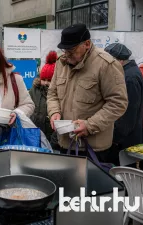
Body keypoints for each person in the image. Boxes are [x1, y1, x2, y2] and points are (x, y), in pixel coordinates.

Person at [47, 24, 128, 164]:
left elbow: (118, 103)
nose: (67, 54)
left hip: (93, 148)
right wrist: (54, 111)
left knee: (89, 186)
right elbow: (52, 93)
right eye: (64, 50)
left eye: (71, 50)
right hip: (65, 143)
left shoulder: (106, 65)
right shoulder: (62, 62)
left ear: (87, 44)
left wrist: (90, 125)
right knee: (66, 185)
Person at [104, 43, 143, 165]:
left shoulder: (129, 78)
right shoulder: (127, 72)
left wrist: (115, 138)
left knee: (123, 177)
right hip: (123, 138)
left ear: (119, 60)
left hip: (124, 140)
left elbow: (128, 114)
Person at [29, 51, 57, 144]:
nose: (45, 83)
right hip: (36, 134)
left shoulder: (58, 92)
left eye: (49, 80)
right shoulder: (34, 90)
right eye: (43, 79)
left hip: (53, 137)